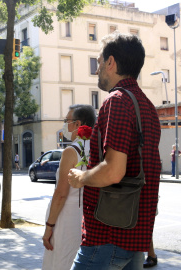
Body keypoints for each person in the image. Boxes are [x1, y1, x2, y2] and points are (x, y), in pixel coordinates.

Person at [67, 32, 161, 269]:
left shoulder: (117, 101)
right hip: (134, 234)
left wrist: (81, 178)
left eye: (98, 62)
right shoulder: (147, 107)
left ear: (111, 63)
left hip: (107, 236)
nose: (97, 69)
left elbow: (113, 172)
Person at [42, 104, 96, 270]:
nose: (65, 124)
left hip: (68, 217)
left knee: (63, 260)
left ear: (78, 124)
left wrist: (49, 226)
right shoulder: (100, 147)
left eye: (67, 121)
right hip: (91, 216)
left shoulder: (71, 151)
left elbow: (61, 194)